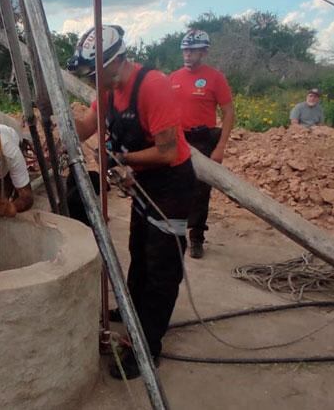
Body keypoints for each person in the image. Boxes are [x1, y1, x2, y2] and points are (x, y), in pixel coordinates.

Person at [67, 25, 194, 380]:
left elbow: (168, 151)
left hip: (170, 187)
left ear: (115, 61)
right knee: (139, 251)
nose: (93, 82)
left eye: (95, 74)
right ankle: (135, 310)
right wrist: (56, 125)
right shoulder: (108, 91)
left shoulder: (152, 86)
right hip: (144, 181)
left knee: (161, 268)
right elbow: (88, 125)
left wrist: (124, 161)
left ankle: (147, 345)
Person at [169, 29, 235, 259]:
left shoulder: (215, 78)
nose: (187, 55)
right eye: (185, 50)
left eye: (193, 51)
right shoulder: (174, 78)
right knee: (175, 187)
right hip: (178, 139)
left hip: (203, 140)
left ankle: (196, 237)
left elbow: (228, 112)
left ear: (204, 52)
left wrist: (220, 147)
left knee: (200, 190)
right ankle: (174, 235)